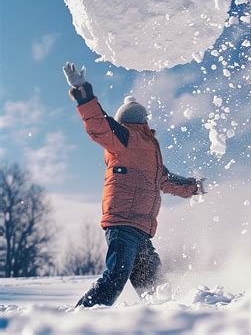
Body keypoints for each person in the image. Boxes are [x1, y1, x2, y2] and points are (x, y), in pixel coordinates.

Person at [63, 62, 205, 307]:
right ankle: (80, 317)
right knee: (116, 277)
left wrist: (194, 187)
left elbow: (168, 181)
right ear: (141, 120)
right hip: (122, 225)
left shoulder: (152, 154)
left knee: (156, 287)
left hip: (140, 231)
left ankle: (163, 323)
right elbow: (98, 123)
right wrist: (82, 91)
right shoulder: (123, 138)